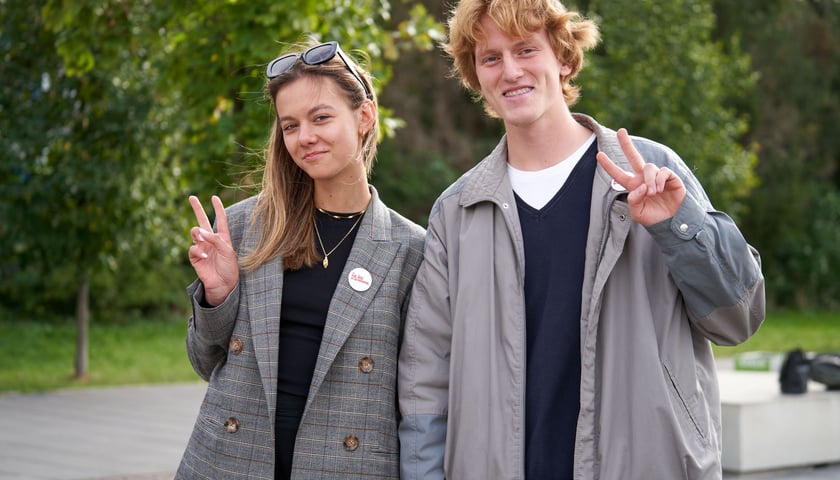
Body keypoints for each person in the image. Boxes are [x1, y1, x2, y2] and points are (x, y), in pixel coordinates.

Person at [397, 1, 766, 479]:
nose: (510, 71)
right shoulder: (457, 211)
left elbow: (738, 319)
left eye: (526, 50)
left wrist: (678, 227)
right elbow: (427, 381)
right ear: (476, 76)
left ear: (565, 59)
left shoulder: (649, 171)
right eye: (491, 58)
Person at [176, 39, 425, 479]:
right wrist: (218, 297)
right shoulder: (244, 227)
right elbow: (203, 361)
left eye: (321, 117)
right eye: (290, 125)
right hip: (230, 463)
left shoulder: (411, 249)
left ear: (365, 117)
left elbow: (421, 393)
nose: (305, 136)